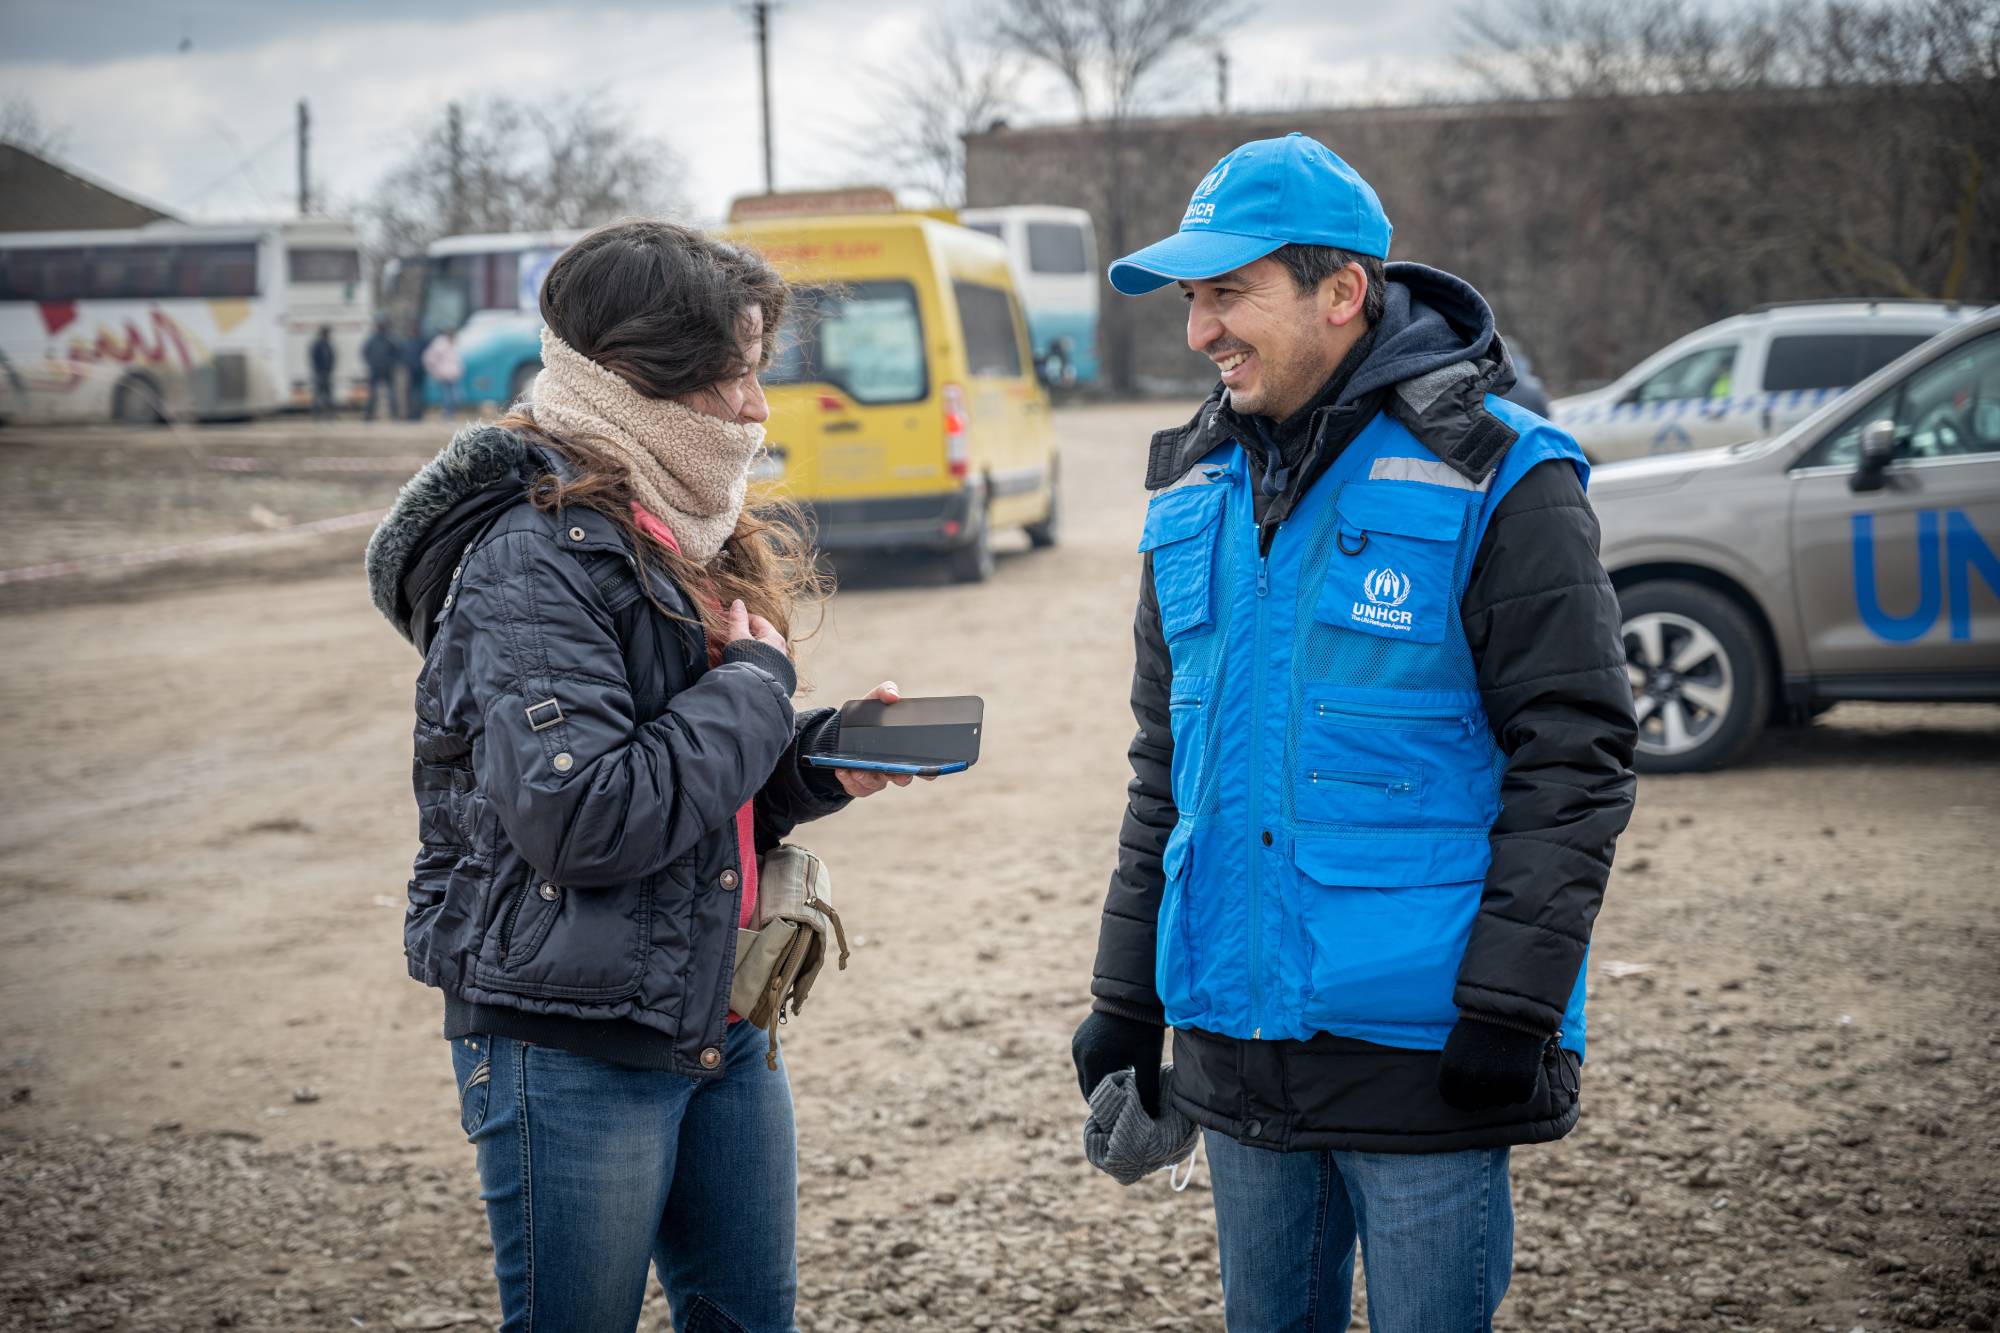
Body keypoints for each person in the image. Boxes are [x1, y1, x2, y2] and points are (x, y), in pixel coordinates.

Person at [1070, 133, 1638, 1332]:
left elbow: (1574, 757)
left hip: (1425, 1054)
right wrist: (1127, 997)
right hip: (1231, 1042)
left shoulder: (1503, 476)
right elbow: (1165, 771)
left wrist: (1509, 1007)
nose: (1198, 332)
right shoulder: (1190, 496)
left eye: (1228, 294)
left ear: (1342, 291)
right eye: (1189, 299)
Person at [366, 219, 923, 1332]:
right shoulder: (531, 557)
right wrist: (758, 684)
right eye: (731, 375)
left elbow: (681, 782)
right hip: (567, 1037)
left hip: (713, 1005)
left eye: (758, 369)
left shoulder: (668, 519)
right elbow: (584, 817)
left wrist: (812, 763)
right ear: (637, 377)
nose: (756, 408)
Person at [362, 317, 400, 421]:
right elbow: (365, 352)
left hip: (385, 370)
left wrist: (391, 363)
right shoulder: (375, 339)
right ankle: (369, 415)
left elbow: (397, 353)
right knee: (374, 394)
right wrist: (371, 363)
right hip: (377, 369)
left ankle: (394, 414)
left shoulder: (388, 339)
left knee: (389, 393)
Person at [424, 327, 464, 418]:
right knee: (447, 396)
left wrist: (460, 371)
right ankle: (447, 414)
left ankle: (450, 412)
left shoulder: (454, 345)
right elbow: (429, 359)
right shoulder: (439, 346)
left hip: (454, 375)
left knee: (456, 396)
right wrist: (436, 371)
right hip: (443, 375)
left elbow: (457, 361)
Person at [308, 325, 336, 421]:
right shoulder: (318, 344)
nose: (328, 334)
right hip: (320, 373)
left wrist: (330, 369)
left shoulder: (327, 344)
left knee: (328, 395)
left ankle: (330, 415)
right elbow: (314, 358)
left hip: (326, 373)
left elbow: (332, 357)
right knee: (319, 395)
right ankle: (317, 415)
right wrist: (318, 370)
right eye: (327, 332)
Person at [403, 319, 429, 421]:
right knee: (419, 392)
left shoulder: (408, 342)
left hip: (411, 371)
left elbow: (404, 356)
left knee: (412, 393)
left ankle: (412, 414)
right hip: (420, 370)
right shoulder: (424, 342)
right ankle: (417, 414)